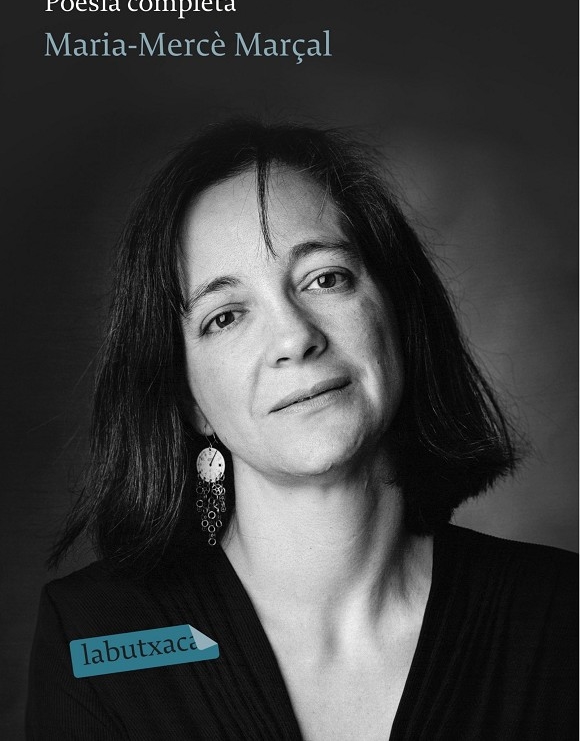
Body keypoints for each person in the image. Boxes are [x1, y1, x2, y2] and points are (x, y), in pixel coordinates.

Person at [26, 120, 577, 740]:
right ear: (187, 399)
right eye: (225, 316)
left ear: (398, 312)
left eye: (325, 278)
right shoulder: (100, 642)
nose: (294, 337)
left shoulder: (563, 616)